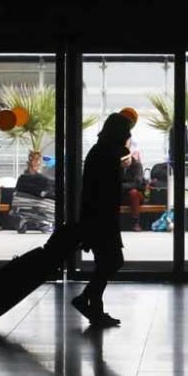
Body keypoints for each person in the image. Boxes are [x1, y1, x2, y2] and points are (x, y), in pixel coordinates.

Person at [71, 113, 133, 328]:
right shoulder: (105, 155)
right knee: (113, 261)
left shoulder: (102, 151)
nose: (129, 134)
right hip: (102, 218)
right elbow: (104, 191)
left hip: (98, 217)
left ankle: (95, 310)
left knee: (105, 262)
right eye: (126, 130)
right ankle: (86, 300)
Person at [120, 143, 146, 232]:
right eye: (123, 160)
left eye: (127, 159)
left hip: (136, 195)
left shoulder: (137, 165)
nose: (126, 161)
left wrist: (122, 186)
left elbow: (137, 184)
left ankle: (136, 222)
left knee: (134, 192)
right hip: (121, 194)